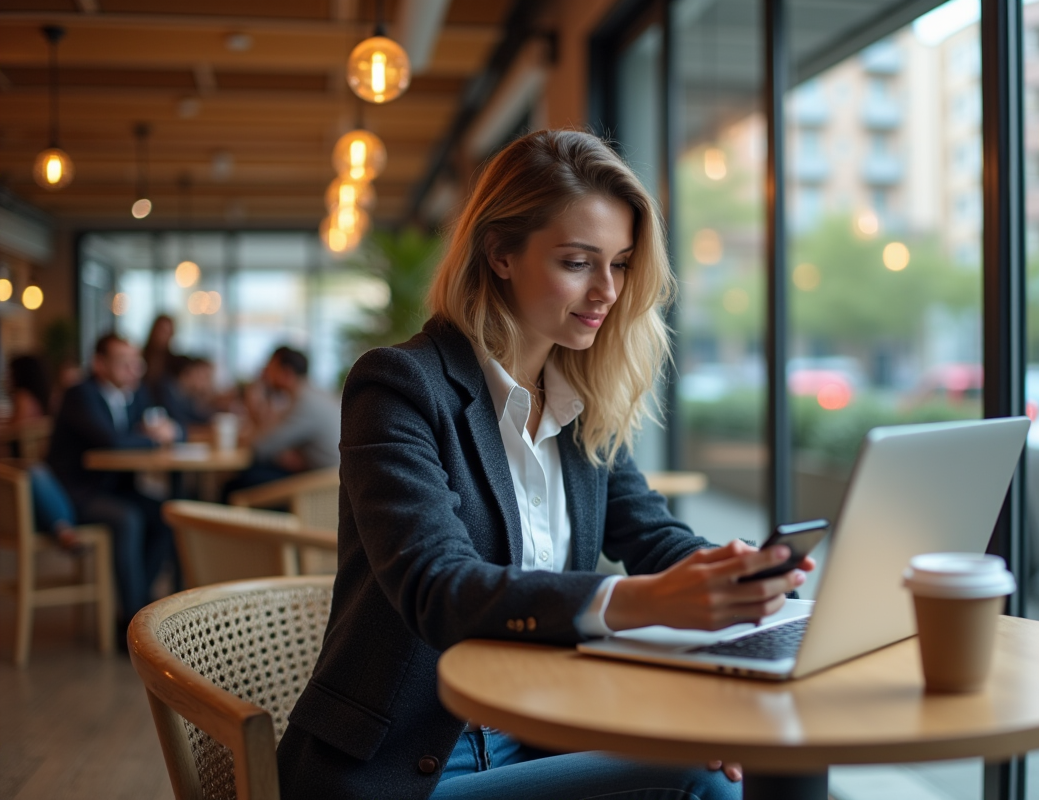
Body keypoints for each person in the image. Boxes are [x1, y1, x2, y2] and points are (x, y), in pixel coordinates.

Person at [276, 130, 814, 800]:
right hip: (404, 765)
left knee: (738, 760)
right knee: (699, 785)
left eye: (619, 264)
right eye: (578, 262)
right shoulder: (401, 386)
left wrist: (739, 576)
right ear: (500, 253)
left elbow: (652, 537)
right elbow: (437, 587)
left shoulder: (580, 400)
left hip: (538, 727)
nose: (607, 292)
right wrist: (640, 601)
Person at [45, 334, 179, 628]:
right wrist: (154, 439)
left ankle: (143, 609)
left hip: (117, 489)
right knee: (128, 519)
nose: (133, 370)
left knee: (168, 515)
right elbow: (112, 441)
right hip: (77, 494)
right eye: (123, 362)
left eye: (136, 362)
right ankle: (131, 623)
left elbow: (169, 425)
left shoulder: (135, 394)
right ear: (99, 363)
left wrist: (168, 432)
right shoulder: (80, 393)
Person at [223, 347, 339, 496]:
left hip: (321, 489)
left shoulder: (305, 403)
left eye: (271, 369)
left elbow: (261, 448)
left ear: (287, 372)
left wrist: (254, 408)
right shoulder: (313, 394)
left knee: (240, 482)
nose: (266, 374)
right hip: (326, 480)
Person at [6, 354, 79, 548]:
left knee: (34, 472)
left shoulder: (23, 398)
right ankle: (63, 529)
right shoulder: (50, 397)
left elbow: (12, 432)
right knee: (37, 473)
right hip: (31, 469)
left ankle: (63, 528)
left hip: (16, 470)